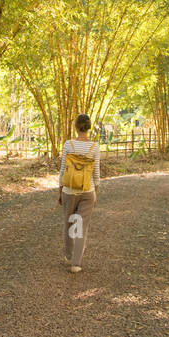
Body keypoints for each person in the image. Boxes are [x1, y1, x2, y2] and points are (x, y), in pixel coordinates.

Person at [58, 113, 99, 273]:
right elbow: (96, 174)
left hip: (68, 190)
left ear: (76, 126)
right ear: (88, 127)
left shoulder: (68, 144)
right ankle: (76, 263)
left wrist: (59, 191)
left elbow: (62, 170)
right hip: (87, 191)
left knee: (69, 223)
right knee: (82, 226)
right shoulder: (94, 147)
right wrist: (96, 192)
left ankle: (69, 255)